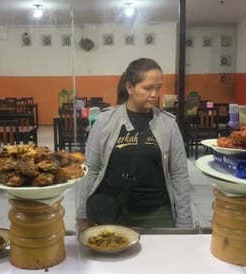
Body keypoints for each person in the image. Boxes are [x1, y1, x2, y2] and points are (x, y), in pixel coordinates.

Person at [76, 58, 193, 230]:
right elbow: (91, 169)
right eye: (147, 88)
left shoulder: (168, 125)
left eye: (158, 88)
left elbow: (179, 175)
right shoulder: (105, 121)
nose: (154, 94)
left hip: (157, 213)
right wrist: (82, 215)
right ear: (129, 87)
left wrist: (185, 222)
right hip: (111, 212)